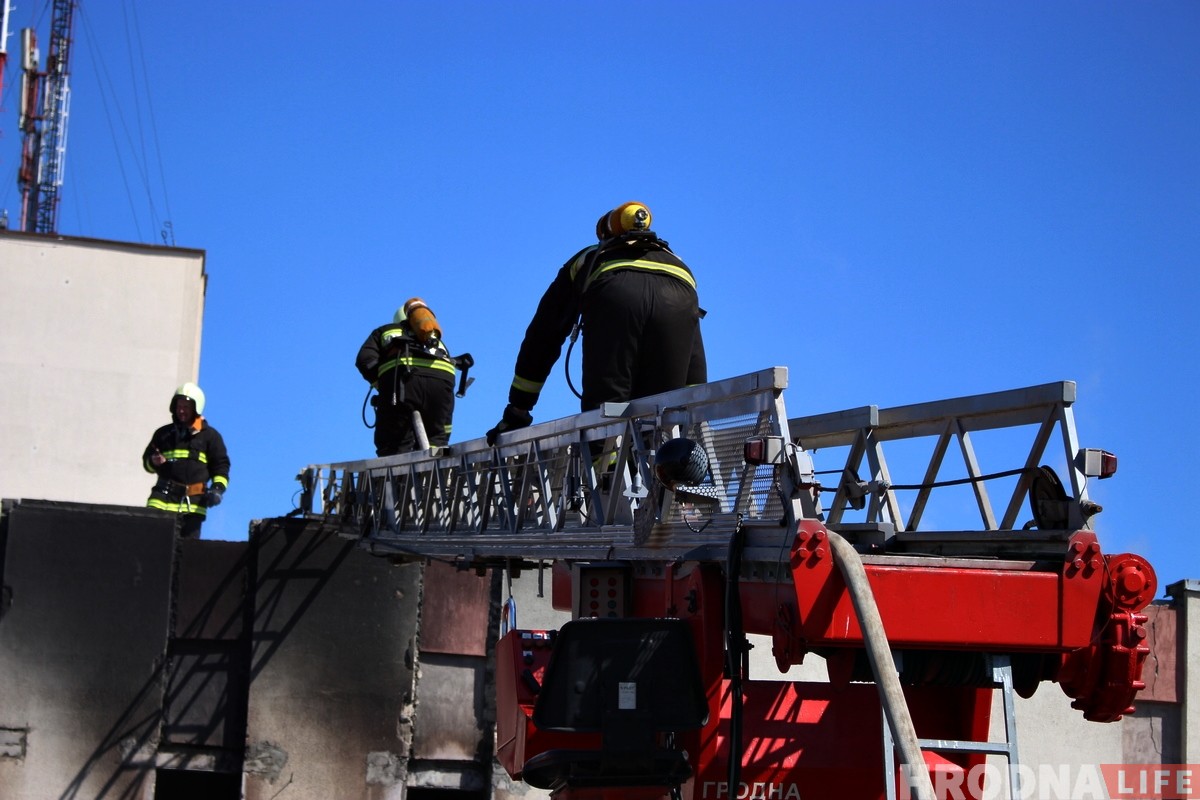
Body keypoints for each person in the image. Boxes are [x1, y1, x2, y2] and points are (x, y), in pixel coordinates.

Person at [487, 201, 707, 444]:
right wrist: (695, 411)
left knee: (605, 416)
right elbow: (693, 350)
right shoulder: (677, 263)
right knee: (664, 412)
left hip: (614, 294)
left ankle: (605, 472)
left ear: (607, 234)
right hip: (678, 301)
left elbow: (544, 336)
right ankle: (666, 464)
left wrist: (518, 409)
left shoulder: (591, 256)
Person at [356, 297, 458, 455]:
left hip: (404, 382)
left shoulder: (385, 331)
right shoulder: (436, 340)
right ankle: (436, 468)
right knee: (437, 437)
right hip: (442, 383)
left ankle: (399, 477)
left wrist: (383, 385)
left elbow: (364, 359)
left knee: (393, 442)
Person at [143, 382, 231, 539]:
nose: (181, 411)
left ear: (196, 409)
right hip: (161, 499)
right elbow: (146, 463)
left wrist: (217, 489)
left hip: (193, 504)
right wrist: (153, 461)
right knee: (151, 544)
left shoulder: (210, 437)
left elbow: (221, 466)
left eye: (186, 407)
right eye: (178, 406)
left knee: (186, 553)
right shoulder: (163, 434)